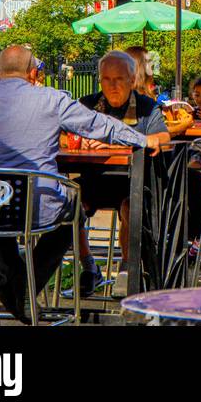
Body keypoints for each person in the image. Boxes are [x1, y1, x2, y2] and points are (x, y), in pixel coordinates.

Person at [0, 44, 169, 322]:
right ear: (32, 73)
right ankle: (25, 285)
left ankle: (12, 276)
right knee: (72, 208)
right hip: (39, 208)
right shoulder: (52, 100)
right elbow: (99, 125)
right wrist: (142, 139)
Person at [76, 51, 171, 296]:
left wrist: (116, 144)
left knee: (132, 205)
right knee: (66, 200)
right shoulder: (87, 106)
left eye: (119, 79)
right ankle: (88, 266)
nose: (112, 85)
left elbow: (163, 138)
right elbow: (62, 133)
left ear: (131, 80)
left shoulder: (145, 107)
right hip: (94, 179)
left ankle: (127, 270)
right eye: (106, 79)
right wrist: (76, 140)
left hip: (132, 182)